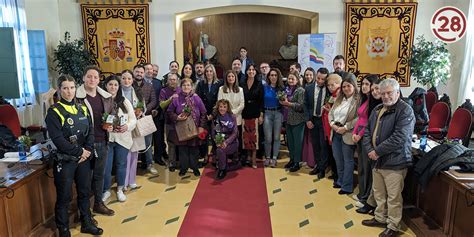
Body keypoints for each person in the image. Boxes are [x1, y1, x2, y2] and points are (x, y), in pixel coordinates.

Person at [45, 75, 103, 236]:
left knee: (84, 192)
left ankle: (86, 222)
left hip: (84, 159)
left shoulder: (82, 108)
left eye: (71, 87)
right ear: (59, 89)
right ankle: (63, 229)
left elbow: (90, 131)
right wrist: (80, 152)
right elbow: (58, 139)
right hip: (66, 161)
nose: (69, 91)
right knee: (64, 196)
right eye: (65, 88)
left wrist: (88, 150)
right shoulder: (54, 111)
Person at [361, 78, 415, 237]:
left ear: (397, 92)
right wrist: (370, 149)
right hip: (377, 160)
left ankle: (393, 225)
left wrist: (376, 151)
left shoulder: (405, 110)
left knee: (393, 197)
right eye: (383, 93)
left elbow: (400, 137)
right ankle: (380, 217)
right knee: (379, 193)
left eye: (389, 93)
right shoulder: (378, 109)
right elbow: (367, 131)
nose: (385, 96)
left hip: (395, 161)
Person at [75, 66, 115, 216]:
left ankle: (98, 203)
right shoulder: (76, 96)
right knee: (83, 178)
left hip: (102, 140)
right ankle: (83, 211)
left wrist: (111, 124)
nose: (92, 80)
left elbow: (112, 114)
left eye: (95, 77)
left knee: (99, 175)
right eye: (89, 77)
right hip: (84, 144)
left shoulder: (105, 96)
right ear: (83, 78)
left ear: (99, 80)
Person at [102, 75, 137, 203]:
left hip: (123, 138)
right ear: (106, 86)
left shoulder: (124, 101)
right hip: (108, 139)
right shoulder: (102, 100)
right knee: (107, 166)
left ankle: (120, 189)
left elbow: (133, 119)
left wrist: (127, 126)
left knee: (121, 164)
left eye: (115, 85)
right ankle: (106, 190)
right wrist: (105, 126)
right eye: (110, 84)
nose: (113, 87)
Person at [167, 78, 207, 177]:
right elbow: (169, 112)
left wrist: (201, 127)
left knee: (194, 149)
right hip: (181, 128)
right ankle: (183, 168)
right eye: (184, 85)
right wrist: (177, 117)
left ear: (192, 87)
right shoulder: (176, 98)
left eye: (188, 85)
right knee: (182, 149)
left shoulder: (196, 98)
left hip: (194, 127)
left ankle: (194, 168)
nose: (186, 87)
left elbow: (203, 112)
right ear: (181, 87)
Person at [329, 77, 360, 195]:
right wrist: (332, 124)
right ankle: (340, 180)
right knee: (338, 158)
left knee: (348, 160)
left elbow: (359, 118)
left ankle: (347, 186)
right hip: (336, 130)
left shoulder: (358, 99)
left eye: (349, 86)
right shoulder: (339, 98)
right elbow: (331, 113)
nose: (346, 88)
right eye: (344, 86)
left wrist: (346, 127)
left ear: (354, 86)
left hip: (347, 132)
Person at [352, 75, 379, 206]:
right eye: (362, 84)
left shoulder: (374, 103)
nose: (364, 86)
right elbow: (359, 119)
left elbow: (369, 123)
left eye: (367, 84)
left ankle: (365, 197)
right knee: (361, 167)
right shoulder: (364, 100)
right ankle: (362, 193)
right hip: (359, 135)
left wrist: (360, 135)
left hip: (366, 137)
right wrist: (354, 133)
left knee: (367, 168)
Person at [121, 69, 145, 190]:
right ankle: (123, 182)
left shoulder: (137, 91)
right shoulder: (117, 93)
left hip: (135, 126)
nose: (126, 81)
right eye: (124, 78)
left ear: (132, 80)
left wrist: (140, 112)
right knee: (125, 155)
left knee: (134, 153)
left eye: (129, 78)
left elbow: (143, 106)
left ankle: (132, 180)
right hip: (122, 127)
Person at [304, 67, 330, 178]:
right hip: (313, 119)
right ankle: (318, 166)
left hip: (324, 121)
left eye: (323, 79)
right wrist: (307, 120)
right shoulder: (308, 88)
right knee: (315, 144)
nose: (320, 81)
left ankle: (323, 168)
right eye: (318, 78)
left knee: (323, 145)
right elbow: (305, 104)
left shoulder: (329, 89)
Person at [133, 64, 158, 174]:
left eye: (141, 72)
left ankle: (149, 164)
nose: (139, 74)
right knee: (133, 143)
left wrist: (143, 110)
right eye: (137, 72)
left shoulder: (149, 86)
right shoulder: (129, 85)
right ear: (133, 72)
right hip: (131, 118)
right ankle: (132, 165)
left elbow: (153, 101)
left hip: (145, 117)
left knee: (148, 142)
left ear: (144, 74)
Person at [195, 64, 222, 165]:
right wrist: (205, 114)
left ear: (214, 72)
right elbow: (198, 100)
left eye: (211, 71)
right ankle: (205, 156)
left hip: (216, 114)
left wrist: (213, 114)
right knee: (204, 137)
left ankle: (216, 156)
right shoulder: (201, 84)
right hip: (204, 114)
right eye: (207, 71)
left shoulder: (219, 83)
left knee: (216, 136)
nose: (209, 73)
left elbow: (219, 101)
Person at [281, 72, 305, 172]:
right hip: (288, 120)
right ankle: (291, 159)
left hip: (298, 120)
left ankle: (297, 162)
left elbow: (300, 106)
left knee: (297, 143)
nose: (290, 80)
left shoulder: (301, 90)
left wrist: (288, 104)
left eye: (292, 79)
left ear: (297, 79)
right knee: (290, 142)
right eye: (289, 79)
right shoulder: (287, 90)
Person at [241, 64, 264, 169]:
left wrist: (261, 115)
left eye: (253, 70)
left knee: (254, 137)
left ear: (255, 72)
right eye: (249, 70)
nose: (251, 71)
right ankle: (248, 157)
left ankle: (254, 159)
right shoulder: (242, 83)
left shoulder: (259, 84)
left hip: (255, 112)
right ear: (246, 72)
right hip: (244, 112)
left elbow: (261, 101)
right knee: (246, 136)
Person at [212, 99, 240, 180]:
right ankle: (223, 169)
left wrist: (226, 142)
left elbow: (235, 133)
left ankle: (222, 169)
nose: (222, 109)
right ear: (218, 107)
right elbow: (213, 133)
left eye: (224, 107)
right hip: (220, 140)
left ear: (227, 108)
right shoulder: (215, 118)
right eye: (220, 106)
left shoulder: (232, 117)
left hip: (232, 142)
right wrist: (217, 141)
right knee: (220, 149)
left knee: (220, 150)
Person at [144, 63, 166, 166]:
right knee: (146, 139)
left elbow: (160, 98)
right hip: (144, 115)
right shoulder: (140, 83)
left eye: (151, 69)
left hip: (157, 114)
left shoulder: (158, 83)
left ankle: (158, 157)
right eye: (147, 69)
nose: (149, 71)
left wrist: (156, 109)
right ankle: (146, 160)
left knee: (158, 138)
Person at [263, 68, 285, 167]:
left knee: (276, 137)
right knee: (268, 138)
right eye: (271, 75)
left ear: (278, 77)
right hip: (267, 113)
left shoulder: (282, 88)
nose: (273, 77)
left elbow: (285, 102)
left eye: (275, 75)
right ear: (268, 77)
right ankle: (268, 157)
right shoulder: (264, 87)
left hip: (278, 113)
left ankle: (274, 158)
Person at [159, 73, 181, 171]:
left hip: (180, 121)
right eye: (170, 79)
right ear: (167, 81)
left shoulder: (181, 90)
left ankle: (179, 162)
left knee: (181, 142)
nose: (172, 81)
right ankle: (171, 163)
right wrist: (170, 99)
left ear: (177, 80)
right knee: (171, 143)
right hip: (168, 121)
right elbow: (161, 105)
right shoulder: (163, 91)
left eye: (174, 79)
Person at [323, 73, 342, 180]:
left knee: (337, 154)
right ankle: (335, 173)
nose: (330, 87)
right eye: (329, 85)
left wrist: (329, 110)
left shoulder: (339, 95)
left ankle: (338, 175)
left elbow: (339, 113)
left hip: (335, 128)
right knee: (332, 152)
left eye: (333, 85)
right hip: (328, 126)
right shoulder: (332, 95)